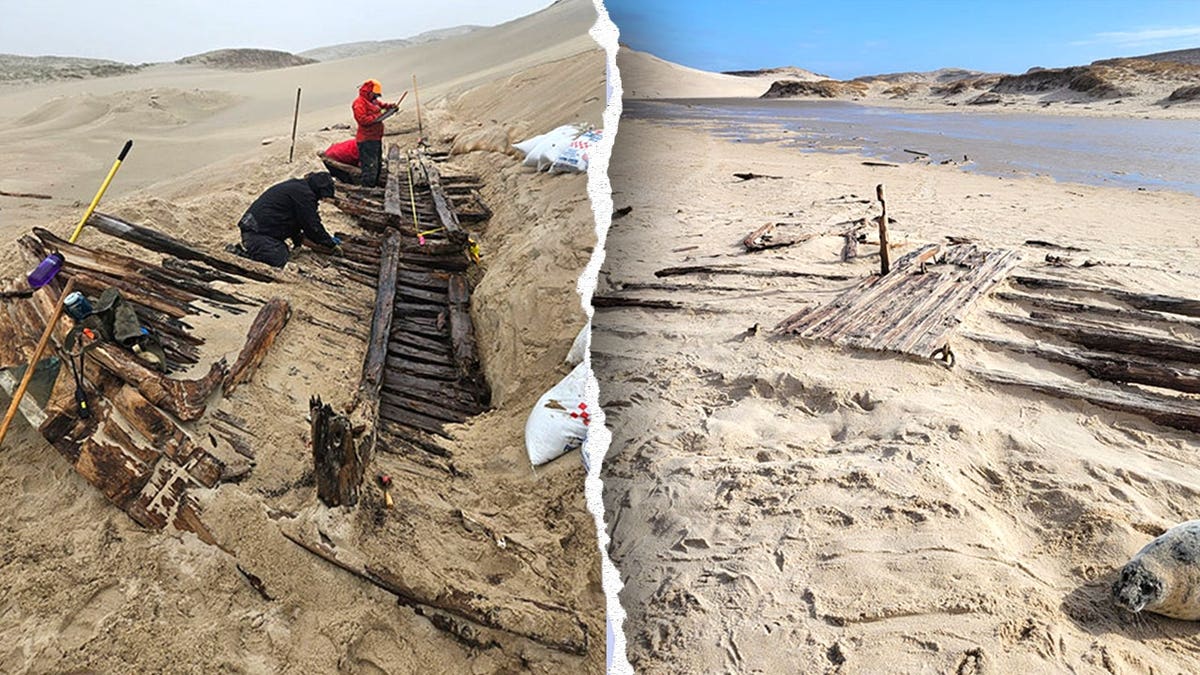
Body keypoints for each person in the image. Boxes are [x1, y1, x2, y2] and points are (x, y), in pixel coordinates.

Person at [235, 172, 341, 268]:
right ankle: (240, 255)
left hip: (256, 228)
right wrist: (330, 243)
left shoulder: (298, 187)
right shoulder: (304, 195)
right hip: (257, 234)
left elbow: (295, 221)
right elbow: (312, 225)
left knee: (281, 251)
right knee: (278, 258)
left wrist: (298, 241)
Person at [353, 79, 397, 187]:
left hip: (376, 138)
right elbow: (362, 120)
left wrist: (390, 107)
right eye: (375, 95)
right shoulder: (359, 103)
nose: (376, 97)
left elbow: (381, 106)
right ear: (369, 92)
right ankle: (368, 189)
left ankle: (374, 186)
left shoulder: (372, 101)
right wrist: (378, 116)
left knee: (377, 165)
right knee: (369, 167)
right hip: (366, 140)